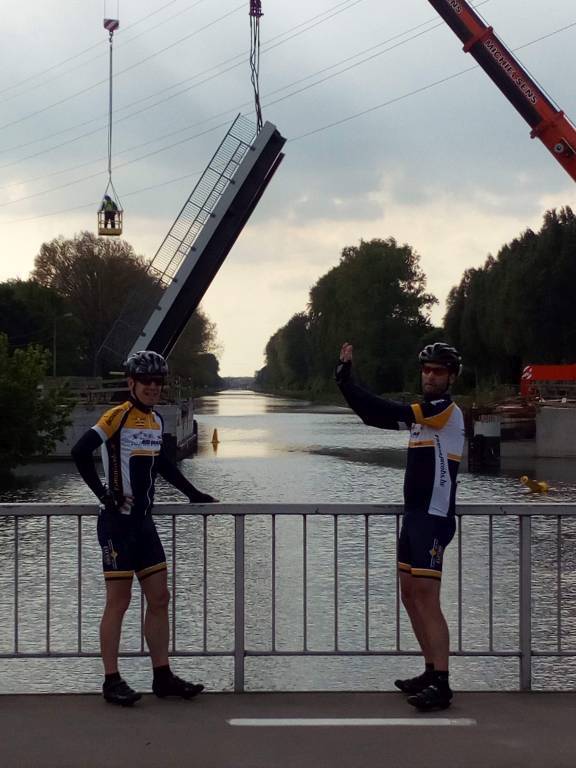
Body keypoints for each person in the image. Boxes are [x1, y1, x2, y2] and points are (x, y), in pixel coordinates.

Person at [71, 350, 217, 706]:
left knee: (160, 598)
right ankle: (111, 680)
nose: (153, 387)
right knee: (118, 602)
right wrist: (104, 495)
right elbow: (80, 452)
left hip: (145, 525)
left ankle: (162, 676)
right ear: (131, 383)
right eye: (146, 381)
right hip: (117, 525)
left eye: (158, 381)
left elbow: (165, 466)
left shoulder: (155, 422)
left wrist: (194, 494)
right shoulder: (116, 416)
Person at [335, 341, 464, 711]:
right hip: (414, 516)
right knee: (410, 595)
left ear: (451, 376)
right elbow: (372, 416)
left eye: (438, 371)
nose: (430, 376)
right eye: (426, 370)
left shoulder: (443, 410)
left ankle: (442, 683)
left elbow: (385, 407)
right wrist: (345, 381)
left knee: (427, 598)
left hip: (434, 517)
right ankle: (428, 669)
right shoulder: (422, 418)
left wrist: (349, 381)